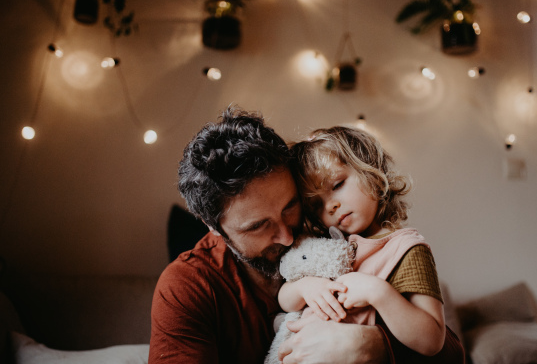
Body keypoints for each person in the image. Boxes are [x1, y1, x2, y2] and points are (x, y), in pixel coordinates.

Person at [149, 106, 404, 364]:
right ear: (212, 225)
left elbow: (441, 344)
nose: (286, 237)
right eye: (258, 226)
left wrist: (372, 344)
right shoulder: (187, 287)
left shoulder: (338, 236)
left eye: (290, 206)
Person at [279, 126, 464, 360]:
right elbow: (284, 299)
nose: (330, 206)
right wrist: (305, 287)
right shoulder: (326, 246)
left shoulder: (405, 248)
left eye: (337, 185)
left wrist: (377, 292)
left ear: (372, 173)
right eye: (316, 205)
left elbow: (431, 341)